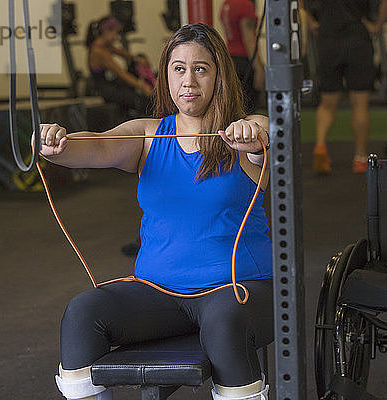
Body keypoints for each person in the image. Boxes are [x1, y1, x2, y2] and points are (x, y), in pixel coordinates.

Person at [40, 23, 273, 400]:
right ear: (166, 76)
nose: (189, 81)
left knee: (223, 323)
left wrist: (253, 138)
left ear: (220, 76)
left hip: (238, 290)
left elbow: (264, 135)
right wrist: (57, 145)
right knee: (82, 314)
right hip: (160, 293)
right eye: (178, 68)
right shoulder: (148, 135)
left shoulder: (241, 133)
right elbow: (97, 146)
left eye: (201, 68)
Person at [308, 0, 387, 174]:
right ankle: (361, 159)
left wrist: (311, 23)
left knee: (327, 103)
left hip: (328, 39)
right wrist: (378, 25)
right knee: (360, 104)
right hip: (358, 39)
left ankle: (320, 146)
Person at [86, 16, 153, 115]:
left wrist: (138, 59)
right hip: (107, 91)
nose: (116, 37)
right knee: (143, 102)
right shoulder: (99, 52)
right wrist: (143, 87)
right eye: (115, 33)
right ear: (106, 31)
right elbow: (121, 73)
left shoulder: (105, 46)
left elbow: (124, 54)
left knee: (138, 59)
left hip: (113, 84)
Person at [220, 0, 265, 114]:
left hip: (230, 60)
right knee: (248, 110)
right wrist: (259, 69)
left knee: (236, 107)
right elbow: (248, 39)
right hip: (245, 63)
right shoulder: (245, 5)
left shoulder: (227, 4)